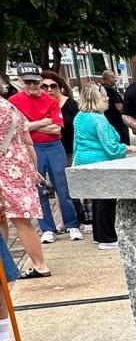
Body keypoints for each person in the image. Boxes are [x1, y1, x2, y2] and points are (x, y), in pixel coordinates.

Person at [8, 63, 82, 242]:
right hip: (32, 148)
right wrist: (42, 122)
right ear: (20, 82)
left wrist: (30, 126)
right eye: (28, 83)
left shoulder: (50, 100)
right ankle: (47, 228)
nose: (32, 86)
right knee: (38, 188)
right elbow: (18, 128)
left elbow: (57, 128)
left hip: (54, 145)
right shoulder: (14, 101)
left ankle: (71, 224)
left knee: (62, 186)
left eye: (35, 82)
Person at [73, 84, 136, 248]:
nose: (108, 98)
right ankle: (108, 238)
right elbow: (111, 148)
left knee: (98, 200)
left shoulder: (80, 116)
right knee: (106, 201)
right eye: (104, 95)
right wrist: (130, 148)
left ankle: (99, 235)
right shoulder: (99, 119)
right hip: (101, 162)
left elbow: (77, 142)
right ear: (97, 98)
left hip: (84, 161)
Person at [0, 94, 52, 280]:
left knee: (17, 220)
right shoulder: (10, 107)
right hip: (21, 165)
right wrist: (33, 169)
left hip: (5, 170)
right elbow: (28, 141)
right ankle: (7, 264)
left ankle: (39, 265)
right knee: (13, 218)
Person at [42, 70, 86, 226]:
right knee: (59, 187)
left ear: (59, 87)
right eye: (44, 87)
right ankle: (64, 219)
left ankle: (81, 217)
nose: (49, 90)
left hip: (72, 150)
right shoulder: (42, 105)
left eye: (52, 86)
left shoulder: (70, 104)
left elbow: (80, 127)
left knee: (71, 185)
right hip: (52, 149)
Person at [99, 70, 129, 144]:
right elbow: (119, 107)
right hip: (117, 123)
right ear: (106, 78)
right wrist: (128, 113)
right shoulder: (110, 90)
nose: (115, 78)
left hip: (107, 122)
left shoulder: (100, 89)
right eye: (113, 77)